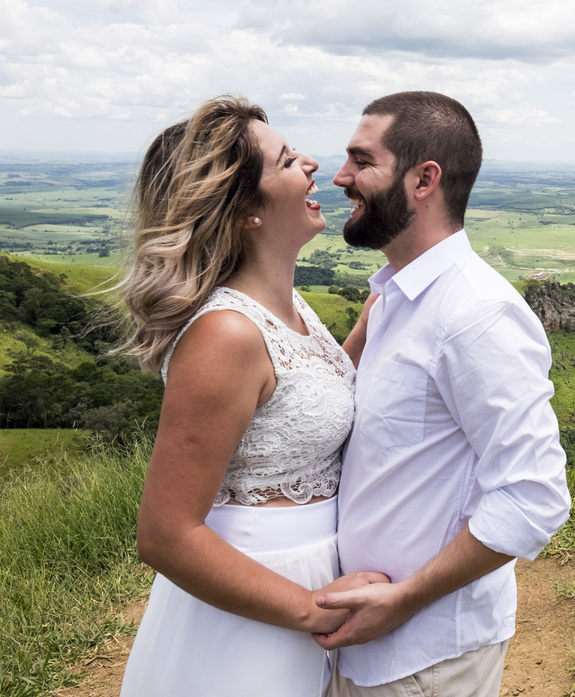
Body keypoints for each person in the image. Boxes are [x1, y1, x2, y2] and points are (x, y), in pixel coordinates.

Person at [118, 95, 385, 697]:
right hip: (261, 598)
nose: (314, 164)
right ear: (246, 210)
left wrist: (365, 337)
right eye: (288, 160)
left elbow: (290, 405)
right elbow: (165, 534)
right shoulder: (225, 334)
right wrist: (312, 610)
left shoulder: (286, 309)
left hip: (305, 578)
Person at [316, 91, 572, 696]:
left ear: (423, 179)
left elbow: (534, 496)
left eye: (361, 160)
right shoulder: (397, 300)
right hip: (368, 641)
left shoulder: (474, 313)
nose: (340, 177)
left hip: (423, 656)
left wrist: (404, 600)